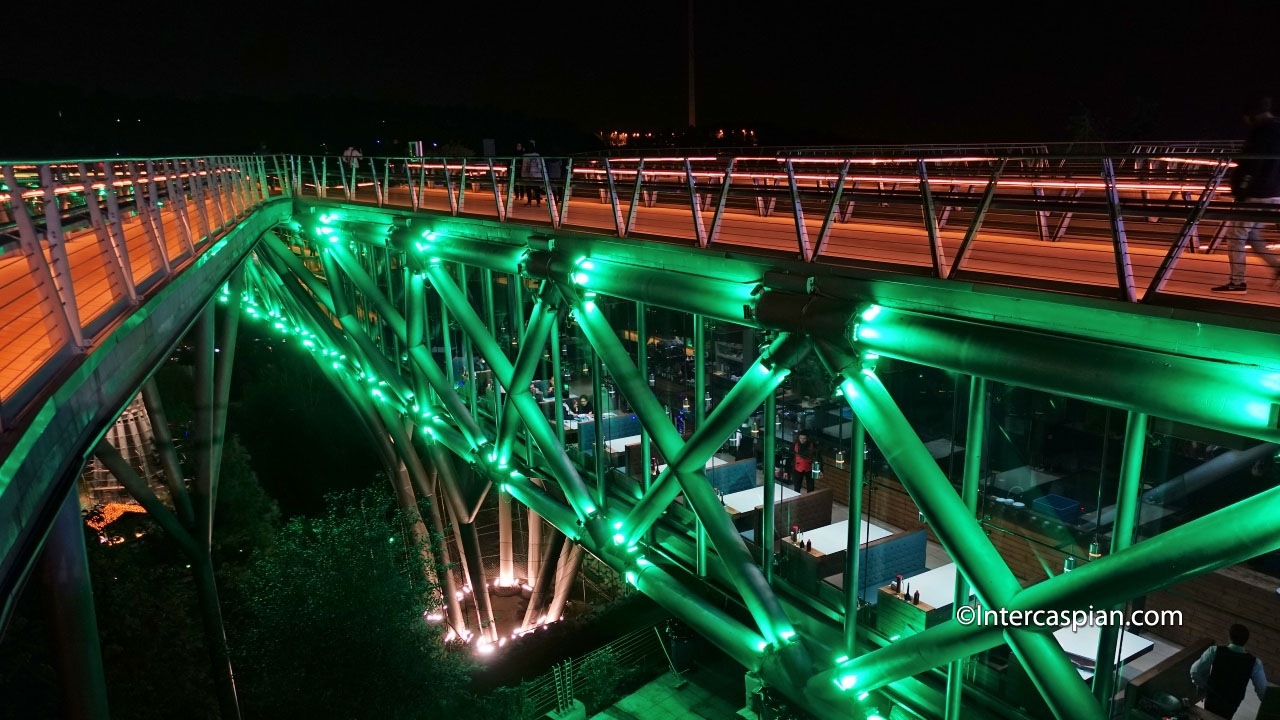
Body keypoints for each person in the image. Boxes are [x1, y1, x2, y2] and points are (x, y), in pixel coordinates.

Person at [1214, 97, 1280, 294]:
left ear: (1252, 115)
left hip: (1256, 194)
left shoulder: (1261, 133)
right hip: (1275, 193)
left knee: (1235, 236)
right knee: (1251, 234)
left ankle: (1237, 283)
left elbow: (1251, 164)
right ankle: (1277, 266)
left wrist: (1241, 189)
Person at [1191, 623, 1268, 718]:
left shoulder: (1214, 651)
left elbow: (1195, 671)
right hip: (1232, 703)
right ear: (1246, 641)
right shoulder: (1255, 663)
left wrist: (1203, 686)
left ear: (1229, 637)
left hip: (1212, 697)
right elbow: (1263, 690)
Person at [522, 140, 543, 206]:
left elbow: (524, 166)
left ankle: (529, 201)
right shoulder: (537, 155)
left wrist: (523, 174)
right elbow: (540, 165)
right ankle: (538, 202)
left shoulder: (525, 155)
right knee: (536, 187)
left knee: (528, 187)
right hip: (536, 174)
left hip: (527, 174)